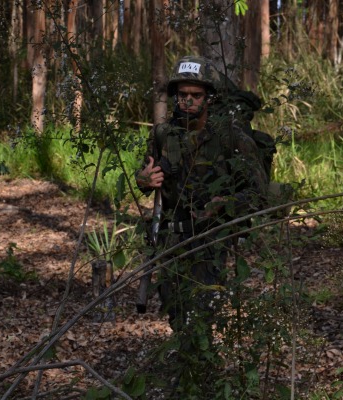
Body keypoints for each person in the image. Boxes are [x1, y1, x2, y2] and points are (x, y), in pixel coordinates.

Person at [135, 55, 268, 352]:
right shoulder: (163, 134)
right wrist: (143, 179)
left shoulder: (229, 135)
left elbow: (258, 193)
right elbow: (146, 175)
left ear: (208, 97)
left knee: (200, 314)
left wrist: (225, 203)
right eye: (182, 95)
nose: (188, 102)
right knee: (177, 312)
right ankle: (190, 370)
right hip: (171, 238)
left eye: (195, 95)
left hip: (210, 239)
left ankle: (200, 374)